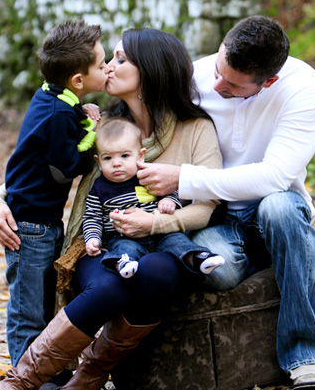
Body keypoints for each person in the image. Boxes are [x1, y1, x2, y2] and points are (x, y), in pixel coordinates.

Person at [0, 28, 222, 390]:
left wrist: (154, 223)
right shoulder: (103, 124)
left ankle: (89, 375)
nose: (109, 67)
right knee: (109, 281)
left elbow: (207, 207)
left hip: (164, 242)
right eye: (110, 59)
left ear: (152, 71)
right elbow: (35, 160)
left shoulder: (196, 130)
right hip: (100, 243)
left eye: (122, 60)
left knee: (156, 272)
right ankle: (17, 385)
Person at [136, 15, 315, 390]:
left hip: (272, 209)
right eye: (219, 68)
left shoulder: (305, 88)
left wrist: (185, 177)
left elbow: (275, 176)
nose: (216, 84)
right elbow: (129, 127)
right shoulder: (195, 76)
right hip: (216, 215)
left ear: (268, 81)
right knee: (217, 272)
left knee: (281, 209)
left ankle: (306, 354)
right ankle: (284, 259)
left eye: (232, 84)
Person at [0, 19, 107, 370]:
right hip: (31, 226)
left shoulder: (52, 96)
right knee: (29, 309)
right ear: (78, 79)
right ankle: (26, 379)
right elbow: (66, 166)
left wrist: (81, 117)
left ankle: (41, 373)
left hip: (40, 220)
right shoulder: (59, 113)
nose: (106, 70)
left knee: (43, 303)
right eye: (102, 66)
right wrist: (92, 134)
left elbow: (65, 122)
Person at [84, 116, 225, 278]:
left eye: (124, 156)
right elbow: (92, 217)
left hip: (160, 232)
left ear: (140, 156)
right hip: (124, 236)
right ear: (99, 161)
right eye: (108, 158)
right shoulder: (99, 188)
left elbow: (171, 191)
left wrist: (169, 201)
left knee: (177, 241)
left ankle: (198, 258)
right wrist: (93, 239)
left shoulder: (146, 175)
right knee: (123, 247)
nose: (116, 163)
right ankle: (123, 263)